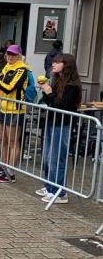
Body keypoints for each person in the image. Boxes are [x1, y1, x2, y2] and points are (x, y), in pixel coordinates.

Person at [36, 53, 81, 204]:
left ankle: (58, 192)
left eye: (57, 62)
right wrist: (47, 92)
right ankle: (49, 186)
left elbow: (62, 106)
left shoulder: (71, 86)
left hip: (62, 124)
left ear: (66, 65)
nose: (53, 64)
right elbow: (51, 103)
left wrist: (49, 92)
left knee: (57, 158)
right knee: (48, 157)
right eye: (53, 62)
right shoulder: (57, 81)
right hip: (51, 121)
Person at [0, 44, 31, 182]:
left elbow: (10, 88)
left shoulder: (22, 69)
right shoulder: (7, 67)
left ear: (19, 56)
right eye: (8, 54)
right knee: (1, 139)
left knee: (12, 141)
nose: (10, 56)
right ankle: (3, 167)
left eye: (13, 54)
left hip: (15, 109)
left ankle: (10, 170)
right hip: (3, 107)